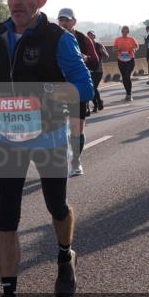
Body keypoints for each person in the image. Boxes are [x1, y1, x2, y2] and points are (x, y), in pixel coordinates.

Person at [0, 0, 94, 297]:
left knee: (56, 206)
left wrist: (43, 98)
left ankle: (64, 255)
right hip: (8, 136)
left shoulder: (58, 38)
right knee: (6, 215)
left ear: (41, 0)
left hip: (50, 137)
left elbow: (84, 87)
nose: (16, 1)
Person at [57, 9, 99, 176]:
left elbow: (95, 62)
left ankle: (76, 161)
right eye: (61, 20)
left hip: (77, 86)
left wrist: (84, 57)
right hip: (58, 86)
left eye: (67, 20)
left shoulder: (83, 38)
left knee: (77, 128)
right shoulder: (54, 38)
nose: (64, 23)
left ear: (74, 21)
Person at [112, 26, 138, 101]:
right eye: (123, 31)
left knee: (127, 76)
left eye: (126, 32)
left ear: (128, 32)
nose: (124, 33)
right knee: (124, 77)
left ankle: (129, 94)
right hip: (121, 60)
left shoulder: (131, 39)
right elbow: (113, 49)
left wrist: (135, 49)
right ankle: (128, 93)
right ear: (121, 32)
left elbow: (137, 46)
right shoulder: (117, 39)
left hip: (130, 60)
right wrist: (119, 49)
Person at [86, 30, 108, 112]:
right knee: (92, 87)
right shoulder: (86, 46)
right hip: (89, 70)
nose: (90, 37)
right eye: (88, 36)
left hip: (98, 70)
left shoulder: (99, 45)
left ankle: (97, 103)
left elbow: (106, 56)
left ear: (94, 37)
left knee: (92, 87)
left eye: (92, 35)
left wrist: (102, 52)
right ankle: (98, 103)